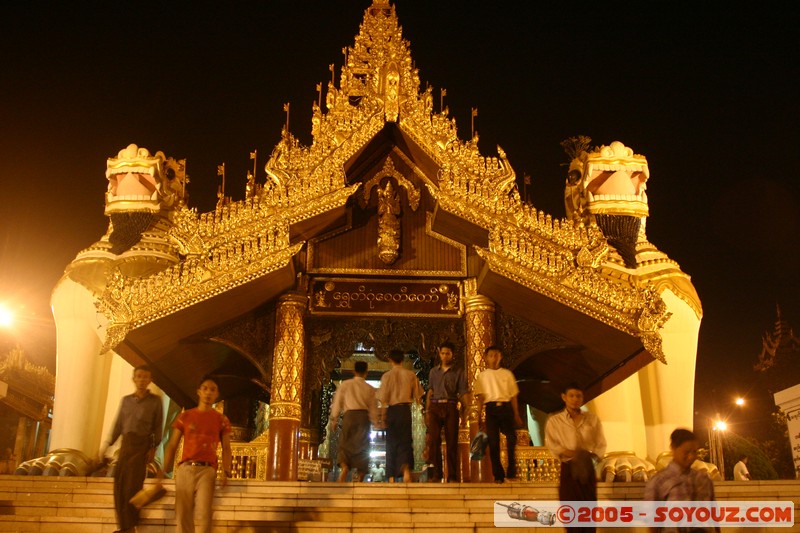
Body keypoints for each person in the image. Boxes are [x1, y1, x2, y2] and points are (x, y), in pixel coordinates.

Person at [159, 376, 232, 533]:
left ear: (217, 394)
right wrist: (162, 470)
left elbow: (226, 447)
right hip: (185, 469)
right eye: (205, 388)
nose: (208, 393)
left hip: (207, 470)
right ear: (198, 392)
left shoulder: (221, 419)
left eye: (212, 390)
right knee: (183, 514)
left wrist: (227, 471)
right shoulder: (185, 416)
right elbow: (172, 444)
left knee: (205, 513)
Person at [99, 365, 163, 533]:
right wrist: (107, 445)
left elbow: (157, 427)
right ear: (134, 379)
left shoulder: (155, 402)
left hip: (142, 445)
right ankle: (123, 526)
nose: (142, 380)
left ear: (150, 380)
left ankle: (130, 526)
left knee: (132, 486)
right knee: (119, 485)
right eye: (139, 376)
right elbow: (118, 424)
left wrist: (153, 448)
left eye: (145, 377)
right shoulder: (126, 401)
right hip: (126, 445)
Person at [545, 382, 606, 532]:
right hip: (569, 467)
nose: (575, 399)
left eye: (578, 396)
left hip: (586, 467)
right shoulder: (555, 421)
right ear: (564, 397)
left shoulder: (592, 419)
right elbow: (552, 445)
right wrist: (571, 453)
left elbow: (600, 443)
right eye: (571, 395)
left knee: (588, 511)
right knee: (570, 511)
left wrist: (592, 455)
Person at [644, 428, 716, 532]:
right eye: (686, 452)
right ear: (673, 448)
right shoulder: (658, 481)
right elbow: (652, 522)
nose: (691, 456)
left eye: (694, 452)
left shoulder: (704, 479)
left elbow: (713, 515)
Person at [474, 345, 523, 483]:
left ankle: (511, 471)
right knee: (493, 442)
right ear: (486, 358)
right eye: (491, 355)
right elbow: (480, 398)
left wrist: (516, 414)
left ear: (500, 356)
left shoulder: (507, 374)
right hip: (491, 409)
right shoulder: (483, 376)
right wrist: (479, 416)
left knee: (512, 439)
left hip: (506, 407)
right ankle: (498, 474)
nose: (494, 358)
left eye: (496, 355)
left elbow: (514, 396)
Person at [377, 349, 424, 482]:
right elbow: (419, 397)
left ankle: (391, 477)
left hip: (392, 410)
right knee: (405, 442)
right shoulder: (410, 375)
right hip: (404, 410)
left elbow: (383, 399)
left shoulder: (386, 376)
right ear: (402, 360)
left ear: (390, 360)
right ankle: (406, 471)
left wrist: (382, 417)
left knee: (391, 443)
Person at [425, 341, 469, 482]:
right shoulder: (433, 372)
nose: (445, 356)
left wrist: (466, 409)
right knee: (434, 440)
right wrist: (427, 410)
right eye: (442, 353)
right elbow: (430, 391)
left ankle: (452, 476)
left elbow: (462, 392)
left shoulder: (458, 372)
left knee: (452, 442)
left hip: (450, 405)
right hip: (435, 406)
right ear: (439, 354)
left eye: (448, 353)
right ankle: (437, 474)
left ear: (452, 355)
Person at [329, 360, 378, 482]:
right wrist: (376, 422)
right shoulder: (370, 388)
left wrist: (334, 419)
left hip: (349, 416)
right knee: (363, 445)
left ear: (354, 371)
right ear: (366, 373)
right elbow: (373, 407)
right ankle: (360, 475)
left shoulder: (345, 385)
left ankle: (345, 467)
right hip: (363, 418)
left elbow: (337, 402)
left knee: (345, 443)